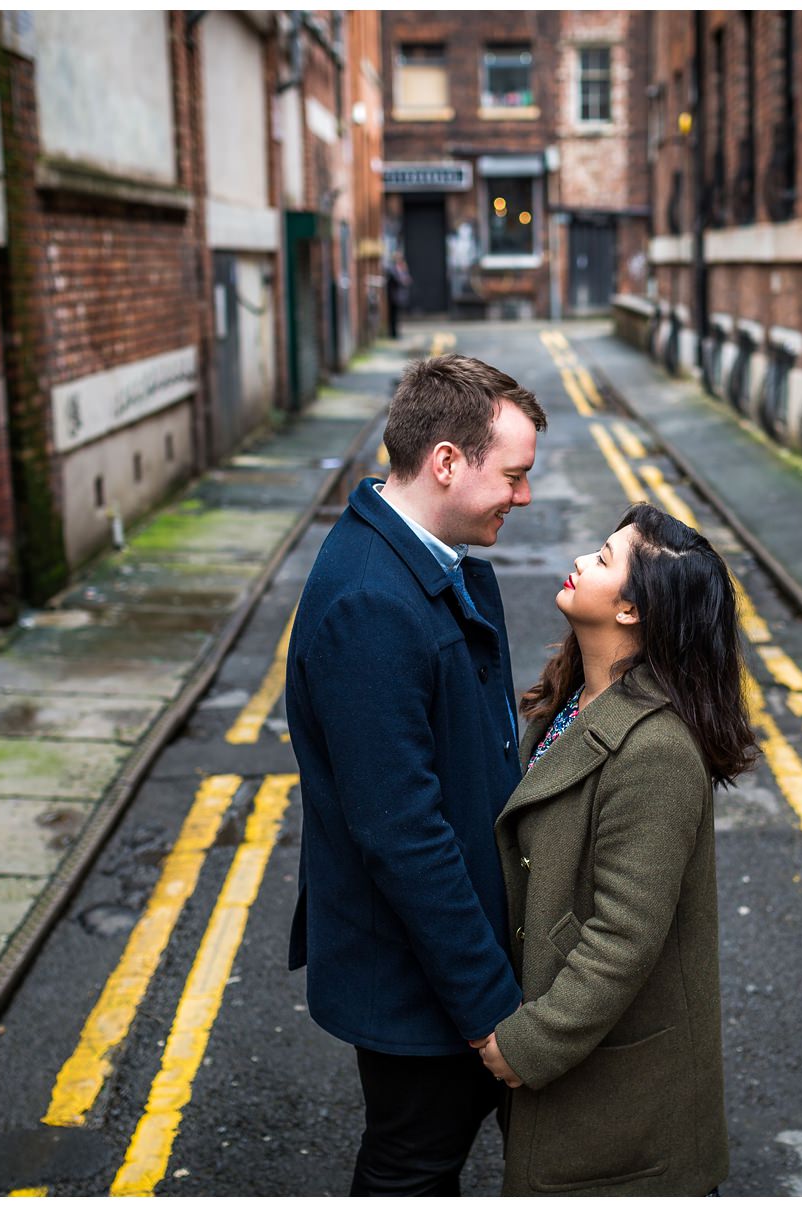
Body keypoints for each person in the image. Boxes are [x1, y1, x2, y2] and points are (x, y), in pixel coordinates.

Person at [285, 353, 548, 1195]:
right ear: (445, 462)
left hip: (457, 960)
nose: (525, 495)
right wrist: (492, 1012)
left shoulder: (441, 560)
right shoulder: (372, 603)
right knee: (411, 1164)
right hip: (423, 983)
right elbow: (405, 835)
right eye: (512, 474)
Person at [476, 502, 757, 1196]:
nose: (579, 560)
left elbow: (622, 935)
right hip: (583, 1066)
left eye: (603, 559)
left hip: (625, 1102)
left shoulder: (656, 750)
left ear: (632, 610)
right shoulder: (579, 698)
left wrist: (526, 1043)